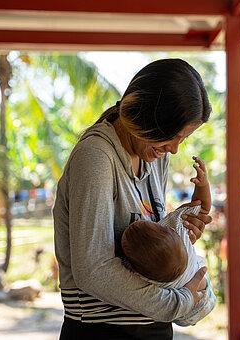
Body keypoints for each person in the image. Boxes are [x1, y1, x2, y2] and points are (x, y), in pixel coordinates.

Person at [53, 58, 213, 339]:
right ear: (144, 117)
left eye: (183, 139)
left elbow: (141, 253)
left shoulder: (153, 156)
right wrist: (180, 302)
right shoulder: (96, 158)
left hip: (152, 328)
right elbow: (93, 271)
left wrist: (173, 243)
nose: (174, 150)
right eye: (170, 136)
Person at [121, 156, 216, 327]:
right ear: (171, 230)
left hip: (183, 313)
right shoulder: (179, 234)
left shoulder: (144, 275)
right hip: (201, 294)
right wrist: (203, 185)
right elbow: (201, 207)